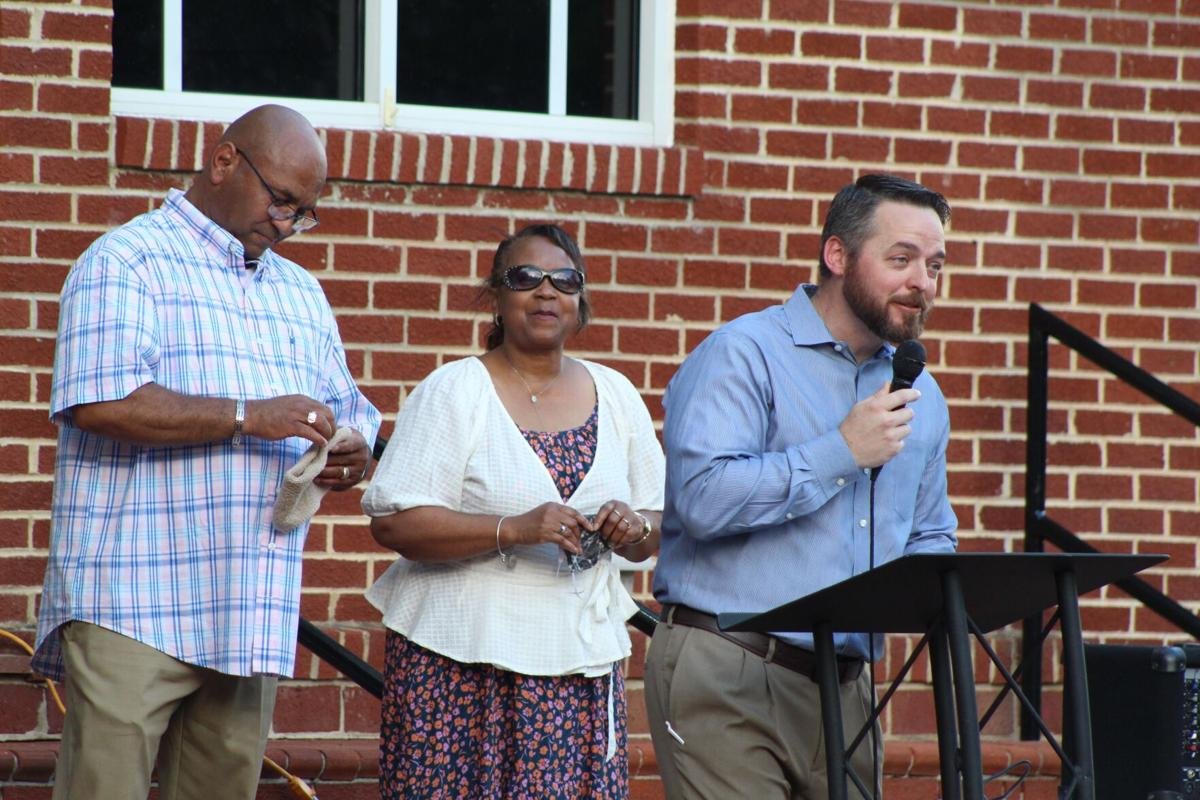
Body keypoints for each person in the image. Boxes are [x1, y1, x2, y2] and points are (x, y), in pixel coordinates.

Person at [33, 104, 382, 800]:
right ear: (223, 161)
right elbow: (99, 402)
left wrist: (353, 454)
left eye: (303, 213)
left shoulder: (301, 294)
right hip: (132, 602)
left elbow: (352, 414)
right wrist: (249, 415)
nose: (287, 224)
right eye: (281, 200)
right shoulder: (126, 260)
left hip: (250, 604)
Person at [645, 174, 959, 800]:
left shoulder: (921, 393)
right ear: (837, 256)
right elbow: (704, 498)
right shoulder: (743, 353)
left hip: (849, 691)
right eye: (901, 259)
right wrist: (842, 451)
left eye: (934, 264)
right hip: (733, 667)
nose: (922, 282)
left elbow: (930, 534)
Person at [362, 223, 665, 799]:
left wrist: (635, 525)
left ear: (581, 301)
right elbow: (394, 522)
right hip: (457, 668)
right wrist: (515, 529)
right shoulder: (454, 390)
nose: (546, 292)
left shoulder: (618, 394)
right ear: (497, 298)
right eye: (526, 278)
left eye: (564, 280)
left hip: (575, 672)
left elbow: (654, 525)